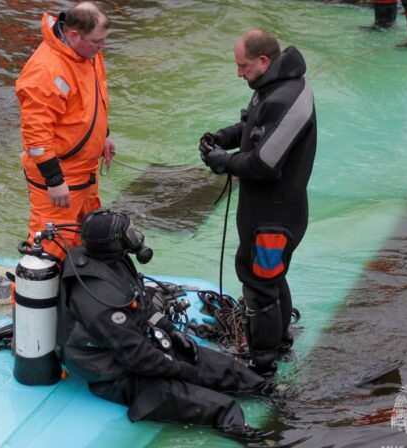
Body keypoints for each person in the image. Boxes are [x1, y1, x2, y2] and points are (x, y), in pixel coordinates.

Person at [56, 209, 270, 443]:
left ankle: (271, 392)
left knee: (233, 372)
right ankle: (257, 438)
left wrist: (171, 331)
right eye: (127, 233)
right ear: (112, 243)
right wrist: (180, 370)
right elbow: (136, 357)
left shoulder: (116, 260)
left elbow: (140, 301)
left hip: (142, 345)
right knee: (223, 408)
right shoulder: (100, 299)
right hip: (116, 374)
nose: (134, 236)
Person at [198, 29, 317, 377]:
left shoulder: (285, 98)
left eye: (243, 66)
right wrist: (224, 137)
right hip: (267, 212)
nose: (239, 73)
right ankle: (280, 343)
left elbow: (264, 164)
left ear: (264, 61)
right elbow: (256, 126)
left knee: (261, 287)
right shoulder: (272, 85)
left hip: (274, 219)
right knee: (272, 279)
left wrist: (223, 161)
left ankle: (262, 365)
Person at [16, 2, 115, 260]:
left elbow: (94, 97)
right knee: (49, 250)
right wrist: (55, 180)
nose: (102, 47)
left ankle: (75, 296)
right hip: (61, 178)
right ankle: (26, 299)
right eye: (97, 41)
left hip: (85, 172)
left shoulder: (88, 53)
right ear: (73, 35)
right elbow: (36, 135)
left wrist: (104, 135)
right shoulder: (45, 71)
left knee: (88, 239)